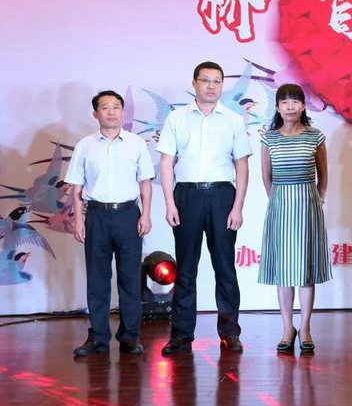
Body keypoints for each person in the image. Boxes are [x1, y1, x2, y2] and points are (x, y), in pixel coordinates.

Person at [156, 61, 252, 355]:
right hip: (186, 195)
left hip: (222, 195)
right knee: (185, 269)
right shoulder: (177, 118)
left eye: (217, 81)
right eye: (206, 80)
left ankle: (230, 332)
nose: (211, 86)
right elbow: (166, 163)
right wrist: (170, 203)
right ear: (194, 83)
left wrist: (237, 207)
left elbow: (242, 166)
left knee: (225, 267)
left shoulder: (233, 120)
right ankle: (181, 334)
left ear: (222, 85)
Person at [65, 90, 154, 356]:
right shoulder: (85, 145)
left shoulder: (136, 144)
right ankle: (98, 338)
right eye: (105, 107)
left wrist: (146, 214)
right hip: (97, 216)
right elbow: (76, 186)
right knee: (98, 279)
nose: (111, 112)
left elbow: (145, 183)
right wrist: (79, 220)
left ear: (123, 112)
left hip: (128, 215)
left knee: (129, 279)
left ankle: (130, 337)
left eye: (116, 106)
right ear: (96, 114)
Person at [258, 84, 332, 352]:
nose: (290, 106)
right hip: (280, 206)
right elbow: (266, 177)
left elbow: (323, 174)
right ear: (277, 107)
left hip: (308, 205)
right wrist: (279, 200)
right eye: (284, 102)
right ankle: (287, 328)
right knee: (284, 271)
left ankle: (306, 327)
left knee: (305, 270)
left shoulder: (315, 136)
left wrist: (317, 199)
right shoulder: (269, 138)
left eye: (295, 101)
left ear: (303, 106)